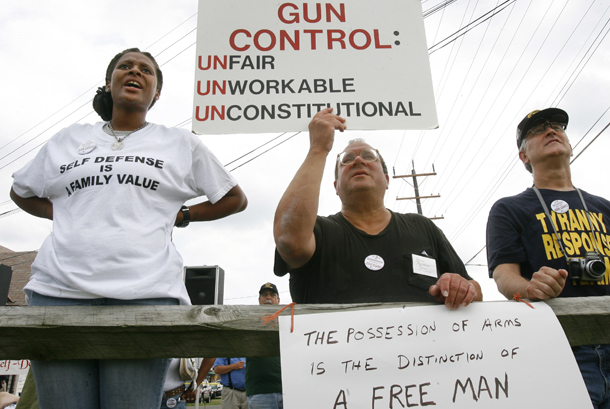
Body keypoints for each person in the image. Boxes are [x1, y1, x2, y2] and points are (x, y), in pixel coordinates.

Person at [10, 48, 247, 409]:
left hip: (146, 294)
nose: (135, 71)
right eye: (125, 66)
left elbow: (233, 197)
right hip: (59, 292)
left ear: (156, 93)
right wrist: (62, 212)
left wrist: (183, 216)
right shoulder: (68, 139)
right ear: (109, 83)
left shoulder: (180, 143)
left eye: (146, 70)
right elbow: (21, 191)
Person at [273, 108, 481, 307]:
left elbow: (476, 292)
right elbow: (289, 241)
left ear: (387, 179)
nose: (358, 161)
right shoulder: (318, 232)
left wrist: (463, 287)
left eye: (369, 156)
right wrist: (318, 149)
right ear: (336, 186)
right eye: (346, 160)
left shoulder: (422, 227)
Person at [487, 107, 610, 408]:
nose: (551, 130)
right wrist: (530, 289)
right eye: (536, 131)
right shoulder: (509, 209)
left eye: (557, 126)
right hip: (562, 351)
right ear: (523, 156)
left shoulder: (604, 207)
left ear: (569, 145)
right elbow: (504, 276)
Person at [245, 283, 283, 409]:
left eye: (272, 295)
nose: (268, 298)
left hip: (288, 389)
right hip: (260, 391)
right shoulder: (249, 321)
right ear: (259, 300)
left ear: (278, 300)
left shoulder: (288, 321)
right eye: (264, 295)